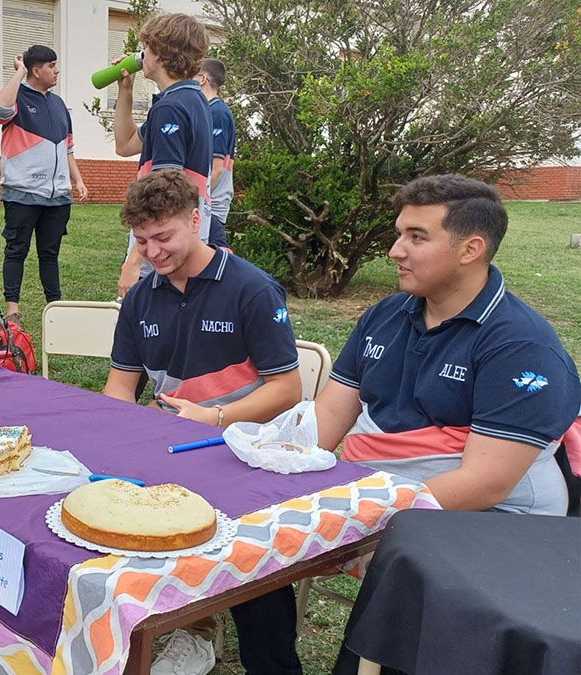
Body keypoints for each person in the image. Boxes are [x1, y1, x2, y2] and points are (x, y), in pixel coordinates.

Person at [104, 170, 304, 675]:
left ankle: (268, 661)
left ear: (197, 220)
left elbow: (287, 390)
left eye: (164, 237)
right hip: (167, 451)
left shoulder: (252, 289)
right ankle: (164, 633)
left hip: (243, 454)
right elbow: (120, 385)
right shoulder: (141, 297)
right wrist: (115, 433)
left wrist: (214, 417)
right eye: (143, 241)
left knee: (255, 573)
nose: (152, 252)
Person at [315, 175, 580, 515]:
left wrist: (350, 511)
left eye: (417, 237)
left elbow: (483, 485)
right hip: (382, 499)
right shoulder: (384, 315)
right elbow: (330, 412)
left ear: (470, 249)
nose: (395, 251)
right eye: (399, 234)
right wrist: (283, 469)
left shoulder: (521, 346)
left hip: (490, 524)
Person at [112, 12, 214, 300]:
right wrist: (125, 90)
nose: (142, 54)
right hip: (183, 232)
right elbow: (125, 144)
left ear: (160, 52)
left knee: (148, 318)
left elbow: (164, 193)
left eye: (146, 46)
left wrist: (134, 261)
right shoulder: (190, 101)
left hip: (164, 235)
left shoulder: (172, 108)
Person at [0, 44, 86, 324]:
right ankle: (12, 310)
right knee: (16, 250)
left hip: (57, 198)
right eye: (51, 66)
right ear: (36, 70)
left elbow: (67, 147)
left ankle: (54, 307)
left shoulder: (58, 104)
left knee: (50, 254)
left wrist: (77, 179)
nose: (57, 71)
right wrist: (18, 73)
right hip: (22, 194)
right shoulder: (16, 97)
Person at [197, 58, 232, 249]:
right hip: (203, 205)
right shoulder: (206, 111)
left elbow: (216, 167)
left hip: (210, 206)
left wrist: (195, 201)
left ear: (202, 79)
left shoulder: (216, 113)